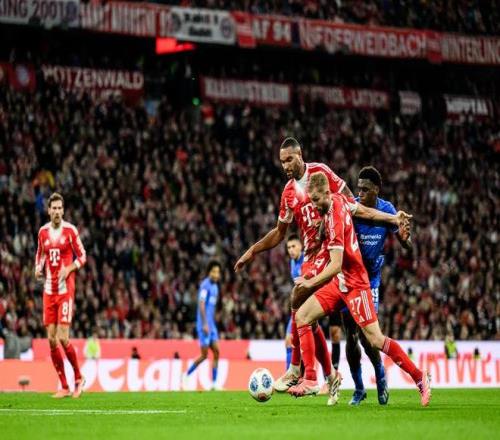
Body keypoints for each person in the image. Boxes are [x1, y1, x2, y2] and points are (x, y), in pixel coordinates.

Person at [235, 137, 410, 400]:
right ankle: (326, 375)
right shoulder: (288, 193)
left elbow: (350, 202)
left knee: (306, 305)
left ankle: (302, 371)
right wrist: (252, 251)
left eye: (289, 159)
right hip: (310, 257)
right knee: (309, 317)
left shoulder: (321, 172)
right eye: (282, 161)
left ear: (300, 155)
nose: (285, 166)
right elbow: (279, 232)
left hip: (330, 252)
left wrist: (374, 226)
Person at [289, 172, 431, 407]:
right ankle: (311, 378)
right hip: (340, 283)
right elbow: (367, 212)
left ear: (327, 193)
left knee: (375, 339)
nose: (313, 206)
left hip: (356, 284)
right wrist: (394, 218)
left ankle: (419, 377)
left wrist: (309, 283)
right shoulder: (341, 200)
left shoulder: (335, 218)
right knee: (302, 316)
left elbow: (335, 265)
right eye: (311, 201)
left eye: (316, 200)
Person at [336, 166, 412, 406]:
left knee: (368, 337)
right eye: (358, 188)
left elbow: (407, 243)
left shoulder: (387, 210)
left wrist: (405, 240)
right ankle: (359, 388)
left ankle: (379, 374)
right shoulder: (352, 207)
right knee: (350, 336)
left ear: (377, 190)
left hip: (371, 282)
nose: (359, 193)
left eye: (365, 189)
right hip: (349, 278)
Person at [35, 192, 87, 398]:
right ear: (49, 211)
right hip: (49, 291)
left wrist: (70, 268)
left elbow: (82, 255)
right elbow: (40, 254)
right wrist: (37, 268)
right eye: (53, 208)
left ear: (63, 210)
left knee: (63, 337)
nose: (57, 211)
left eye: (59, 208)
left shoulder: (70, 231)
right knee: (51, 339)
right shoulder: (43, 232)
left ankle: (78, 378)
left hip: (65, 291)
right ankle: (64, 386)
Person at [183, 261, 222, 390]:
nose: (216, 274)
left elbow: (212, 307)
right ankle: (186, 375)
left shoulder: (216, 287)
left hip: (211, 325)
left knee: (217, 352)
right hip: (204, 325)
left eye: (218, 272)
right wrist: (205, 323)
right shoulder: (205, 285)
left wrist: (212, 321)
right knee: (204, 355)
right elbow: (201, 304)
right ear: (209, 272)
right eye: (214, 272)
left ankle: (214, 384)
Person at [285, 235, 304, 369]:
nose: (291, 250)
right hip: (297, 309)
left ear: (300, 246)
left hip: (308, 309)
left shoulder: (306, 260)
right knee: (289, 342)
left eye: (293, 246)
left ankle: (327, 375)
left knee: (306, 347)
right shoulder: (292, 262)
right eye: (288, 247)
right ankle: (289, 374)